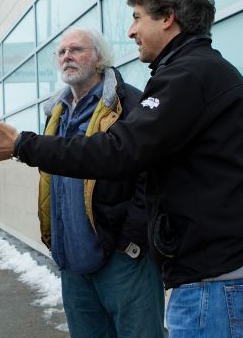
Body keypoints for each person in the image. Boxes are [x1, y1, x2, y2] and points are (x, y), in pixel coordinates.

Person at [0, 0, 243, 338]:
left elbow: (120, 152)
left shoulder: (188, 76)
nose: (130, 31)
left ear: (168, 17)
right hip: (211, 275)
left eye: (137, 17)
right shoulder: (196, 72)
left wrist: (22, 146)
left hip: (216, 279)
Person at [40, 27, 165, 338]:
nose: (67, 56)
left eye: (76, 49)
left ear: (99, 58)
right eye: (62, 51)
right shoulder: (55, 113)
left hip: (124, 261)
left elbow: (151, 176)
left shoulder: (130, 104)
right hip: (73, 265)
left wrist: (131, 241)